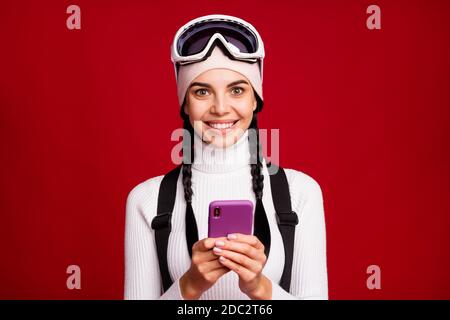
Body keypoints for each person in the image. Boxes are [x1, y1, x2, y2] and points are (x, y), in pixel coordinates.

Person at [124, 14, 328, 300]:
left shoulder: (300, 193)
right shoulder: (146, 199)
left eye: (236, 90)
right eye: (202, 91)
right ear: (184, 103)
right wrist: (189, 286)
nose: (220, 108)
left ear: (255, 98)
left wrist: (261, 288)